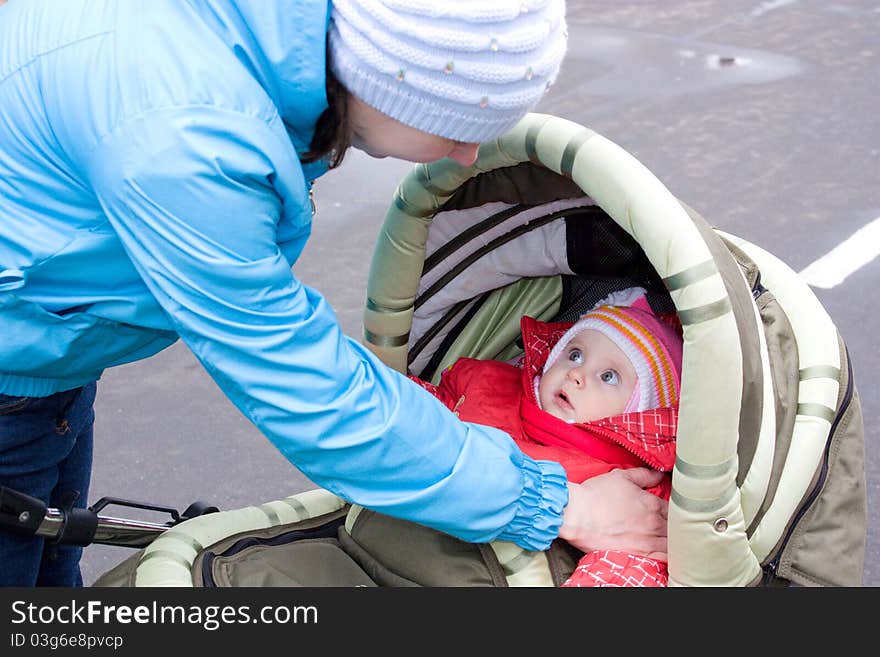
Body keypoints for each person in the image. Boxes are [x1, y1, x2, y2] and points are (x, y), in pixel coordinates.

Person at [0, 0, 667, 587]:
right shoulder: (185, 139)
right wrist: (558, 506)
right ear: (394, 85)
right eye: (459, 126)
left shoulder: (256, 36)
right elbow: (310, 392)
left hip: (47, 341)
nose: (467, 158)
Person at [410, 287, 682, 586]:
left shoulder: (632, 488)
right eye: (575, 355)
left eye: (608, 376)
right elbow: (411, 414)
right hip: (396, 525)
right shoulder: (488, 387)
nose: (576, 374)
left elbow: (630, 567)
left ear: (637, 413)